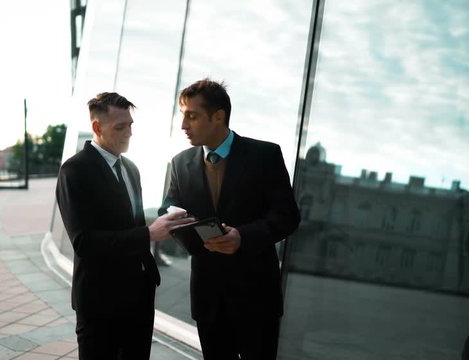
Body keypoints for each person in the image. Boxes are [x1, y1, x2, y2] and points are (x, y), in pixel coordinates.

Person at [159, 79, 301, 359]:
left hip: (257, 297)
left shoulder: (265, 155)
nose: (184, 125)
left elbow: (287, 216)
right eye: (182, 116)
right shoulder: (179, 163)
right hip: (208, 297)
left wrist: (243, 237)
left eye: (192, 115)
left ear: (218, 117)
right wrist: (174, 216)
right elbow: (169, 206)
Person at [56, 92, 193, 360]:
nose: (129, 132)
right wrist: (148, 234)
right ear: (97, 128)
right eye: (120, 127)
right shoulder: (74, 171)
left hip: (139, 297)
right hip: (99, 303)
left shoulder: (131, 168)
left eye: (130, 124)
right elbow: (84, 242)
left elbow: (131, 223)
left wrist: (160, 225)